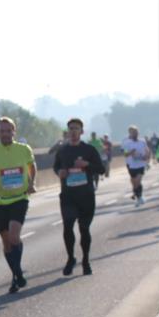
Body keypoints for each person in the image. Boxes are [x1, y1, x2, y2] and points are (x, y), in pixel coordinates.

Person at [0, 117, 36, 293]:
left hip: (19, 199)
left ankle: (17, 274)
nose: (5, 134)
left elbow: (32, 166)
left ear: (14, 132)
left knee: (13, 236)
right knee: (6, 243)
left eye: (8, 130)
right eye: (2, 131)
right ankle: (16, 275)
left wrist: (31, 182)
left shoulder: (24, 149)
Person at [53, 118, 105, 276]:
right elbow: (56, 167)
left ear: (82, 132)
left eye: (76, 129)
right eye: (71, 129)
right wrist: (59, 173)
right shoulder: (62, 151)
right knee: (68, 227)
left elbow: (101, 169)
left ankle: (86, 260)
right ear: (68, 132)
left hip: (86, 196)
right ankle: (70, 258)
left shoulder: (89, 150)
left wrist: (87, 165)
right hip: (68, 196)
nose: (73, 132)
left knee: (84, 229)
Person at [121, 125, 150, 207]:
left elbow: (147, 151)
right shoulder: (127, 142)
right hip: (131, 164)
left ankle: (138, 196)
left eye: (136, 132)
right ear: (130, 133)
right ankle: (139, 196)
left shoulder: (142, 141)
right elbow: (125, 154)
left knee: (138, 180)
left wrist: (146, 158)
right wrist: (131, 152)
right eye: (133, 132)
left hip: (141, 164)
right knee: (134, 182)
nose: (135, 134)